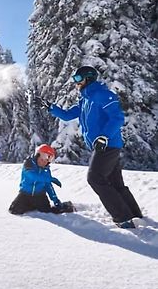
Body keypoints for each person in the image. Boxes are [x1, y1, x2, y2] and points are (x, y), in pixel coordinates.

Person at [42, 65, 143, 229]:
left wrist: (104, 136)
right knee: (115, 182)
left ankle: (123, 218)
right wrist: (51, 108)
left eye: (77, 79)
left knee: (95, 178)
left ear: (88, 78)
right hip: (101, 146)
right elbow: (67, 115)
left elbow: (117, 117)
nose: (75, 82)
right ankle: (134, 214)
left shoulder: (102, 95)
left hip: (108, 145)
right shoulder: (85, 100)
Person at [9, 144, 74, 215]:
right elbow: (33, 176)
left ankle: (67, 205)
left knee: (48, 212)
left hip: (39, 195)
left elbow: (48, 186)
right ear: (37, 155)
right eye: (43, 157)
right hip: (25, 194)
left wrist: (55, 200)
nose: (44, 161)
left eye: (48, 159)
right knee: (13, 210)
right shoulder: (28, 164)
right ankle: (31, 205)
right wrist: (50, 179)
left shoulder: (46, 170)